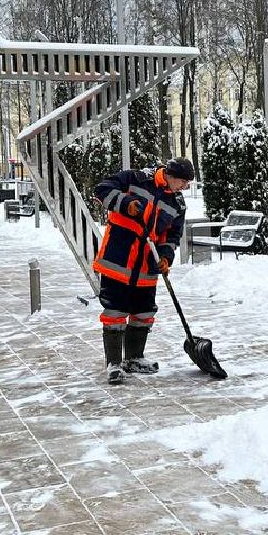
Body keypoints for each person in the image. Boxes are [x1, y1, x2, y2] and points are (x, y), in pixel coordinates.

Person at [92, 157, 193, 385]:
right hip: (119, 259)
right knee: (115, 312)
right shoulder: (136, 179)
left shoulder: (177, 203)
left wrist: (165, 257)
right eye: (183, 182)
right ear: (171, 176)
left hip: (147, 266)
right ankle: (114, 364)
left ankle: (134, 358)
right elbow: (101, 189)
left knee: (144, 312)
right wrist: (125, 203)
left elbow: (172, 235)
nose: (185, 187)